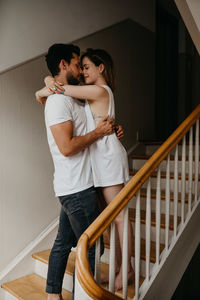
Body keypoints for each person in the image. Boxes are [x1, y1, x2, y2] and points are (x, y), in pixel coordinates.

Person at [36, 47, 134, 291]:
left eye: (86, 66)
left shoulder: (97, 91)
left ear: (100, 68)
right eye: (79, 65)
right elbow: (64, 98)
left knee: (117, 219)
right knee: (102, 229)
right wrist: (48, 82)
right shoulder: (77, 98)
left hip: (104, 164)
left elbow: (61, 88)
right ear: (64, 64)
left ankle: (126, 270)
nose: (81, 70)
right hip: (87, 174)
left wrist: (48, 83)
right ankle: (73, 290)